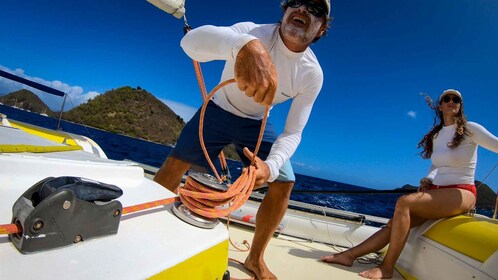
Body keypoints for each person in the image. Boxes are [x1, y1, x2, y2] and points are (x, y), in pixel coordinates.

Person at [153, 0, 332, 279]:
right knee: (176, 164)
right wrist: (242, 45)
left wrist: (270, 167)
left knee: (284, 182)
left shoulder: (312, 74)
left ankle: (255, 258)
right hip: (217, 110)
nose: (304, 10)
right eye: (296, 2)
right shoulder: (253, 32)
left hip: (257, 124)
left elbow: (294, 131)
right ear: (284, 11)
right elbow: (190, 43)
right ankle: (149, 230)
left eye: (316, 10)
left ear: (321, 29)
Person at [321, 89, 498, 279]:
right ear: (440, 106)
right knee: (394, 224)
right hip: (437, 191)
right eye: (447, 98)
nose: (452, 101)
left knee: (404, 202)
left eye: (457, 99)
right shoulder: (438, 136)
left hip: (462, 192)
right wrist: (427, 180)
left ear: (460, 105)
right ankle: (348, 255)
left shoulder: (471, 129)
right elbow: (435, 165)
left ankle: (386, 267)